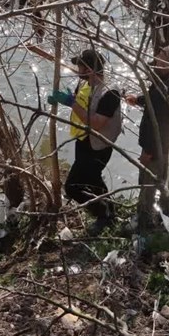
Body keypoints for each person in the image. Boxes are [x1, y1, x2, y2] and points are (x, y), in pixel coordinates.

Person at [47, 49, 122, 235]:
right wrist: (63, 99)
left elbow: (96, 123)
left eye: (80, 66)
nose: (77, 69)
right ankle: (110, 212)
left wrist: (71, 103)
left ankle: (102, 215)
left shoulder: (110, 92)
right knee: (94, 180)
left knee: (72, 187)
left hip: (99, 145)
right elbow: (82, 104)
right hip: (83, 140)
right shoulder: (86, 83)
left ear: (89, 69)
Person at [125, 46, 169, 221]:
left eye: (163, 54)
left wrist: (149, 151)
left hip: (162, 145)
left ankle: (146, 219)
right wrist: (138, 100)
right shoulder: (163, 80)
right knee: (165, 181)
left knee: (150, 184)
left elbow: (163, 122)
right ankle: (163, 217)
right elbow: (154, 101)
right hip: (165, 144)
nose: (157, 56)